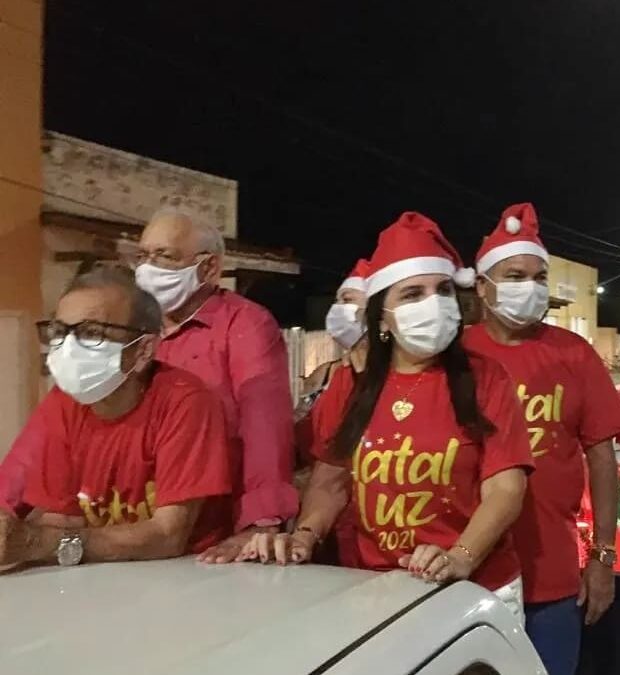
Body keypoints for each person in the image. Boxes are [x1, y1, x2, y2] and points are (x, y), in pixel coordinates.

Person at [230, 213, 535, 617]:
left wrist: (461, 556)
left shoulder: (486, 379)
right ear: (382, 317)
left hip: (474, 593)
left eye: (442, 290)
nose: (434, 304)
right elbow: (331, 481)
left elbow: (505, 489)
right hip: (374, 590)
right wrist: (305, 535)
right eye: (412, 294)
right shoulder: (349, 385)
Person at [462, 203, 620, 675]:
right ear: (482, 287)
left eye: (539, 278)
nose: (530, 288)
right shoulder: (456, 356)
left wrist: (603, 558)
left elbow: (601, 459)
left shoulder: (573, 354)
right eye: (515, 276)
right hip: (468, 574)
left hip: (552, 579)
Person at [0, 267, 234, 567]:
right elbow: (60, 523)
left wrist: (38, 543)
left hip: (192, 575)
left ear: (143, 350)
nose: (69, 348)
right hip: (101, 573)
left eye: (92, 333)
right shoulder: (62, 404)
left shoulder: (185, 401)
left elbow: (168, 536)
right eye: (60, 332)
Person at [131, 207, 298, 564]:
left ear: (209, 268)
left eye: (165, 256)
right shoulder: (133, 329)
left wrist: (261, 523)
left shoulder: (245, 324)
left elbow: (264, 428)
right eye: (143, 256)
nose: (148, 269)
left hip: (215, 535)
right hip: (137, 528)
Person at [296, 258, 371, 421]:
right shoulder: (324, 374)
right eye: (336, 301)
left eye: (347, 300)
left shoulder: (395, 376)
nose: (337, 308)